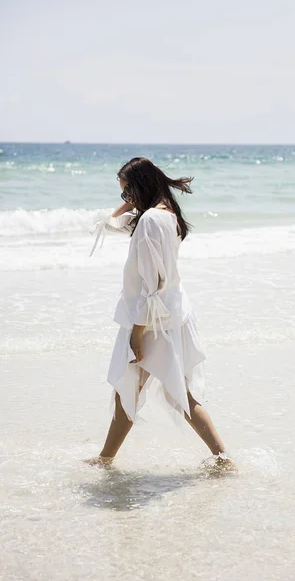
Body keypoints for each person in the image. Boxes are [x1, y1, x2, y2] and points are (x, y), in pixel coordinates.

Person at [85, 157, 235, 470]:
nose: (125, 201)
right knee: (176, 393)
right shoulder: (165, 215)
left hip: (152, 321)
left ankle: (105, 459)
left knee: (132, 389)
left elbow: (153, 284)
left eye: (127, 192)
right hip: (169, 316)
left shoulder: (152, 220)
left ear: (141, 186)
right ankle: (222, 458)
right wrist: (128, 203)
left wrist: (138, 333)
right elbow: (110, 224)